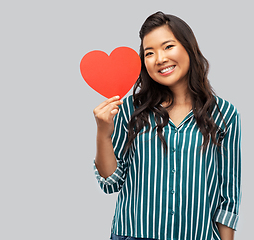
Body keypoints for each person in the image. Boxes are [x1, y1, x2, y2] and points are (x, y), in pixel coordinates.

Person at [93, 11, 241, 240]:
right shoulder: (130, 109)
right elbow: (111, 182)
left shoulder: (224, 114)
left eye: (168, 47)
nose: (159, 59)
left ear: (188, 48)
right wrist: (103, 132)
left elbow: (228, 195)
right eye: (149, 53)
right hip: (133, 235)